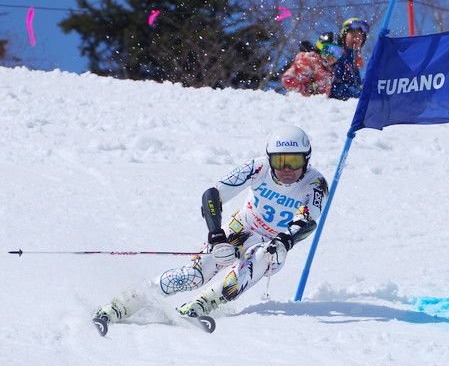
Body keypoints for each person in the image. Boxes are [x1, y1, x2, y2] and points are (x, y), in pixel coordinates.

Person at [93, 126, 329, 327]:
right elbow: (212, 195)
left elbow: (307, 221)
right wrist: (216, 236)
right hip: (240, 228)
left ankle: (201, 305)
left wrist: (284, 241)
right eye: (280, 161)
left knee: (261, 258)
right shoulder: (258, 168)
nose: (287, 169)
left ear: (306, 159)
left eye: (294, 160)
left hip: (273, 244)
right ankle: (123, 303)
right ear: (270, 159)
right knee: (193, 276)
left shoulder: (315, 183)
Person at [281, 32, 341, 97]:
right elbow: (287, 79)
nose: (332, 55)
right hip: (297, 103)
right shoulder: (309, 61)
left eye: (337, 52)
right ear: (319, 48)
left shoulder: (330, 70)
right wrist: (306, 95)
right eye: (327, 50)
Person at [329, 18, 369, 101]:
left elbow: (356, 86)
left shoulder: (355, 62)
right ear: (344, 36)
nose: (356, 39)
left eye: (359, 37)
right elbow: (335, 87)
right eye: (353, 35)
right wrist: (359, 93)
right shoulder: (337, 56)